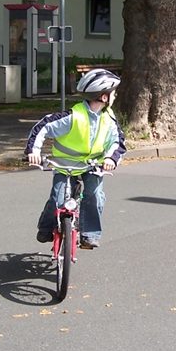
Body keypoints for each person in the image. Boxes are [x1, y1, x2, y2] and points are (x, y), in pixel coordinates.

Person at [24, 68, 127, 250]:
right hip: (64, 165)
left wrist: (111, 159)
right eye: (113, 93)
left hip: (92, 166)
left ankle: (89, 235)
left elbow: (117, 142)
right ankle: (46, 228)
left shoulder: (108, 119)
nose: (115, 96)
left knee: (95, 196)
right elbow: (44, 127)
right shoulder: (73, 116)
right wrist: (34, 151)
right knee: (57, 199)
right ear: (104, 97)